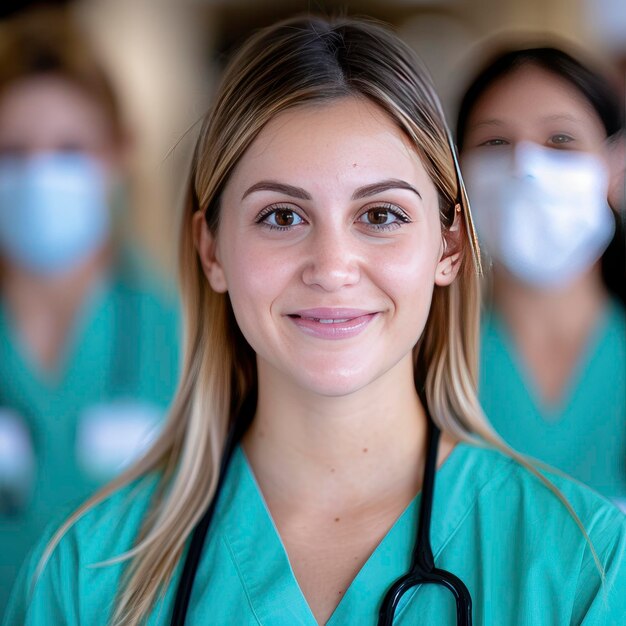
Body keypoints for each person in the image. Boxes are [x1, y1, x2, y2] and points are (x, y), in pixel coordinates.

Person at [5, 16, 626, 626]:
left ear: (450, 246)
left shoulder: (585, 567)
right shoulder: (84, 575)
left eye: (381, 215)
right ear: (212, 249)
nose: (332, 268)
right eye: (281, 216)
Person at [0, 8, 180, 614]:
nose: (40, 175)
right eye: (13, 152)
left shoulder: (181, 335)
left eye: (69, 150)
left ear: (117, 154)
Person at [456, 46, 626, 511]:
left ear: (615, 165)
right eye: (495, 142)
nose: (525, 166)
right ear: (460, 174)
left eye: (561, 140)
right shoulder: (430, 359)